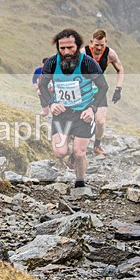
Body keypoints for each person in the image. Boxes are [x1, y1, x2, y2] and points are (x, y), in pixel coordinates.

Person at [38, 29, 108, 187]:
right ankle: (72, 156)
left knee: (79, 153)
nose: (66, 52)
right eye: (62, 48)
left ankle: (80, 181)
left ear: (78, 46)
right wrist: (51, 103)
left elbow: (103, 87)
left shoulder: (88, 63)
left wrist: (92, 108)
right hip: (61, 114)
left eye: (70, 48)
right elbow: (42, 85)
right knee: (59, 152)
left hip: (83, 114)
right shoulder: (51, 63)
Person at [85, 29, 125, 154]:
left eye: (102, 45)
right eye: (96, 45)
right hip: (84, 90)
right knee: (80, 119)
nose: (99, 48)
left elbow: (120, 69)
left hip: (99, 89)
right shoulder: (83, 52)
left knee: (100, 121)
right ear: (92, 42)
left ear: (105, 42)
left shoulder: (110, 54)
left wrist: (118, 88)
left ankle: (97, 145)